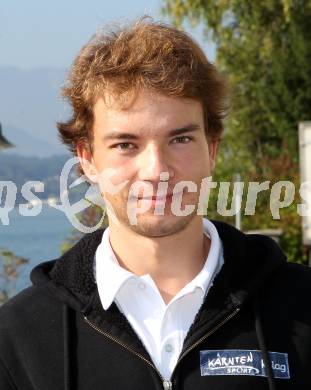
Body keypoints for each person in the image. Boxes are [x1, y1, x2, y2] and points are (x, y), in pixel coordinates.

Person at [0, 18, 310, 390]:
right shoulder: (18, 339)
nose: (157, 169)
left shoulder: (301, 307)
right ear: (87, 159)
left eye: (179, 139)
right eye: (126, 145)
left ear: (211, 149)